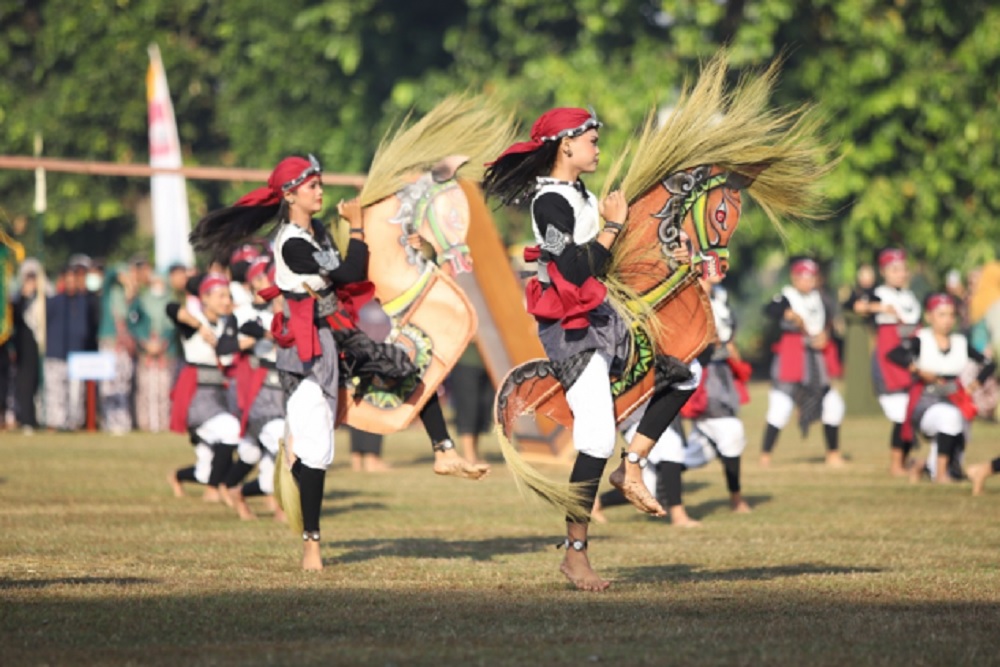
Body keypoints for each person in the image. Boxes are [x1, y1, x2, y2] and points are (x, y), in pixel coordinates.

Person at [190, 155, 488, 571]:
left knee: (405, 364)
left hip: (337, 332)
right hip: (308, 347)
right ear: (291, 194)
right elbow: (351, 271)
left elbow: (347, 276)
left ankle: (443, 450)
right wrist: (360, 226)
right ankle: (312, 541)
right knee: (317, 453)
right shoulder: (291, 242)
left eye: (319, 183)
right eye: (311, 186)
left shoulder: (316, 234)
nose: (320, 191)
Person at [483, 108, 696, 591]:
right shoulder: (549, 203)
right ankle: (575, 556)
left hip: (604, 319)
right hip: (570, 330)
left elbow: (610, 261)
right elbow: (577, 271)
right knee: (596, 438)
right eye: (593, 141)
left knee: (683, 375)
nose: (599, 149)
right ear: (566, 145)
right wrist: (613, 226)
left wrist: (671, 254)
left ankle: (632, 467)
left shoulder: (582, 195)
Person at [887, 293, 995, 483]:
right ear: (929, 317)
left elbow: (989, 364)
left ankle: (925, 466)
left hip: (955, 400)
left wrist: (975, 384)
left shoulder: (960, 343)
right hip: (926, 401)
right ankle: (940, 474)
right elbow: (894, 354)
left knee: (958, 432)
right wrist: (919, 371)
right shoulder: (922, 339)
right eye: (941, 314)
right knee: (949, 417)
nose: (947, 320)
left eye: (951, 315)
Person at [166, 273, 247, 502]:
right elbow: (172, 308)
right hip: (197, 396)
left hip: (220, 395)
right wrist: (199, 327)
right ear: (205, 298)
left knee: (205, 470)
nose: (226, 300)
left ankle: (179, 476)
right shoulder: (194, 322)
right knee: (231, 430)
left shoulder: (227, 322)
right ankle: (214, 489)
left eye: (228, 295)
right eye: (220, 296)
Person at [760, 257, 845, 467]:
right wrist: (788, 314)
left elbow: (829, 325)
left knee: (833, 405)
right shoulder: (787, 297)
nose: (808, 281)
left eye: (811, 277)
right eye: (803, 277)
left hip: (816, 360)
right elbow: (769, 310)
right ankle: (765, 455)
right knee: (781, 408)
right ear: (794, 277)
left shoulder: (822, 299)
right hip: (792, 359)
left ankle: (832, 453)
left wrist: (825, 336)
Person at [853, 249, 922, 475]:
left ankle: (904, 460)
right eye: (895, 269)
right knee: (901, 415)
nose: (901, 273)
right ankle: (896, 465)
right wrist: (881, 308)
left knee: (911, 413)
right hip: (889, 363)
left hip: (909, 359)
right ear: (884, 272)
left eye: (903, 269)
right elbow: (857, 306)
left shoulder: (909, 296)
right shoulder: (880, 293)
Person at [44, 255, 96, 430]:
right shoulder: (53, 301)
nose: (71, 283)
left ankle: (73, 423)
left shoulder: (84, 301)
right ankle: (55, 422)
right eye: (69, 279)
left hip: (76, 354)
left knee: (75, 393)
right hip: (56, 352)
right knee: (55, 392)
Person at [11, 260, 43, 431]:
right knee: (25, 383)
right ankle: (26, 419)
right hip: (24, 347)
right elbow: (13, 320)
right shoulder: (18, 299)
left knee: (39, 382)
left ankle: (39, 417)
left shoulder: (44, 298)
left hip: (42, 347)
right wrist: (23, 296)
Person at [449, 343, 494, 465]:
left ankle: (475, 452)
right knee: (468, 408)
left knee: (483, 407)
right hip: (465, 361)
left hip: (490, 363)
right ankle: (469, 456)